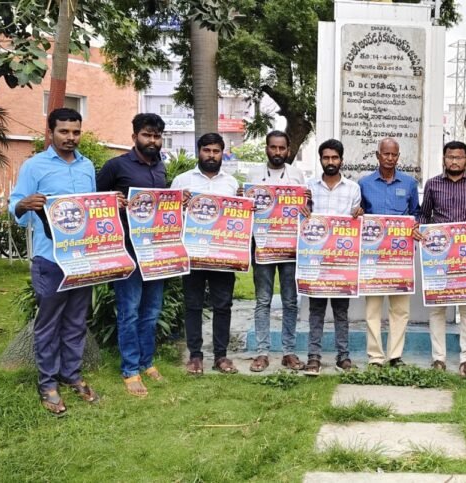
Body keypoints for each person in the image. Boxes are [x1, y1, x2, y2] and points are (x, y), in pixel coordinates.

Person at [9, 108, 99, 414]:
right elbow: (14, 205)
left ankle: (71, 374)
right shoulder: (34, 166)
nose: (70, 137)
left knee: (76, 321)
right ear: (51, 132)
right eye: (64, 131)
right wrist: (23, 204)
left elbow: (93, 209)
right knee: (48, 324)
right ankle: (47, 383)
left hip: (82, 258)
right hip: (50, 259)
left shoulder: (88, 167)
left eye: (76, 132)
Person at [96, 113, 167, 397]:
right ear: (134, 135)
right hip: (127, 250)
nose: (152, 141)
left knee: (151, 312)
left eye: (157, 136)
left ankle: (147, 362)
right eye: (147, 135)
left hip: (157, 250)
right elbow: (95, 205)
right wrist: (113, 203)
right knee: (129, 312)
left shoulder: (161, 168)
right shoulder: (116, 166)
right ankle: (130, 370)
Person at [171, 133, 239, 375]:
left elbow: (238, 218)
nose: (211, 155)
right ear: (198, 151)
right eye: (207, 150)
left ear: (222, 153)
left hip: (223, 255)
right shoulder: (181, 181)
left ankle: (221, 356)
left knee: (223, 305)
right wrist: (179, 203)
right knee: (193, 305)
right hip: (192, 254)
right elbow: (169, 216)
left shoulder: (231, 184)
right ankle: (195, 356)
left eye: (216, 151)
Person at [419, 141, 466, 377]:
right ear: (444, 159)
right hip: (438, 256)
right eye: (450, 157)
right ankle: (439, 358)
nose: (454, 161)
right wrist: (421, 231)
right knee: (437, 308)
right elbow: (424, 214)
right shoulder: (432, 184)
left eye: (459, 157)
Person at [245, 130, 308, 372]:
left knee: (291, 301)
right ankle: (262, 353)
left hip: (291, 248)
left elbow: (305, 209)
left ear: (289, 150)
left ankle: (289, 352)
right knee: (263, 300)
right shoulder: (253, 175)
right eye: (273, 147)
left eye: (282, 148)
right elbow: (246, 211)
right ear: (266, 148)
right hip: (263, 247)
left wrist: (306, 203)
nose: (278, 152)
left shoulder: (297, 175)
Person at [358, 138, 421, 368]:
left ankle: (395, 356)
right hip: (373, 258)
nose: (390, 158)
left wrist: (416, 226)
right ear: (377, 155)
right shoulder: (364, 184)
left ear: (398, 156)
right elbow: (358, 213)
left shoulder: (410, 184)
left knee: (400, 309)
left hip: (400, 258)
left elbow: (417, 214)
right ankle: (375, 357)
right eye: (385, 154)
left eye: (394, 155)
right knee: (373, 308)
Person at [303, 139, 362, 376]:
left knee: (341, 311)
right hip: (316, 260)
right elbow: (304, 220)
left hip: (341, 261)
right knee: (316, 310)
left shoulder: (353, 189)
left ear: (341, 160)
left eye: (334, 158)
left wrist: (358, 214)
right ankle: (313, 357)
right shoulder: (309, 188)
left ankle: (343, 356)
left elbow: (356, 219)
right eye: (326, 158)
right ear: (320, 160)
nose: (330, 162)